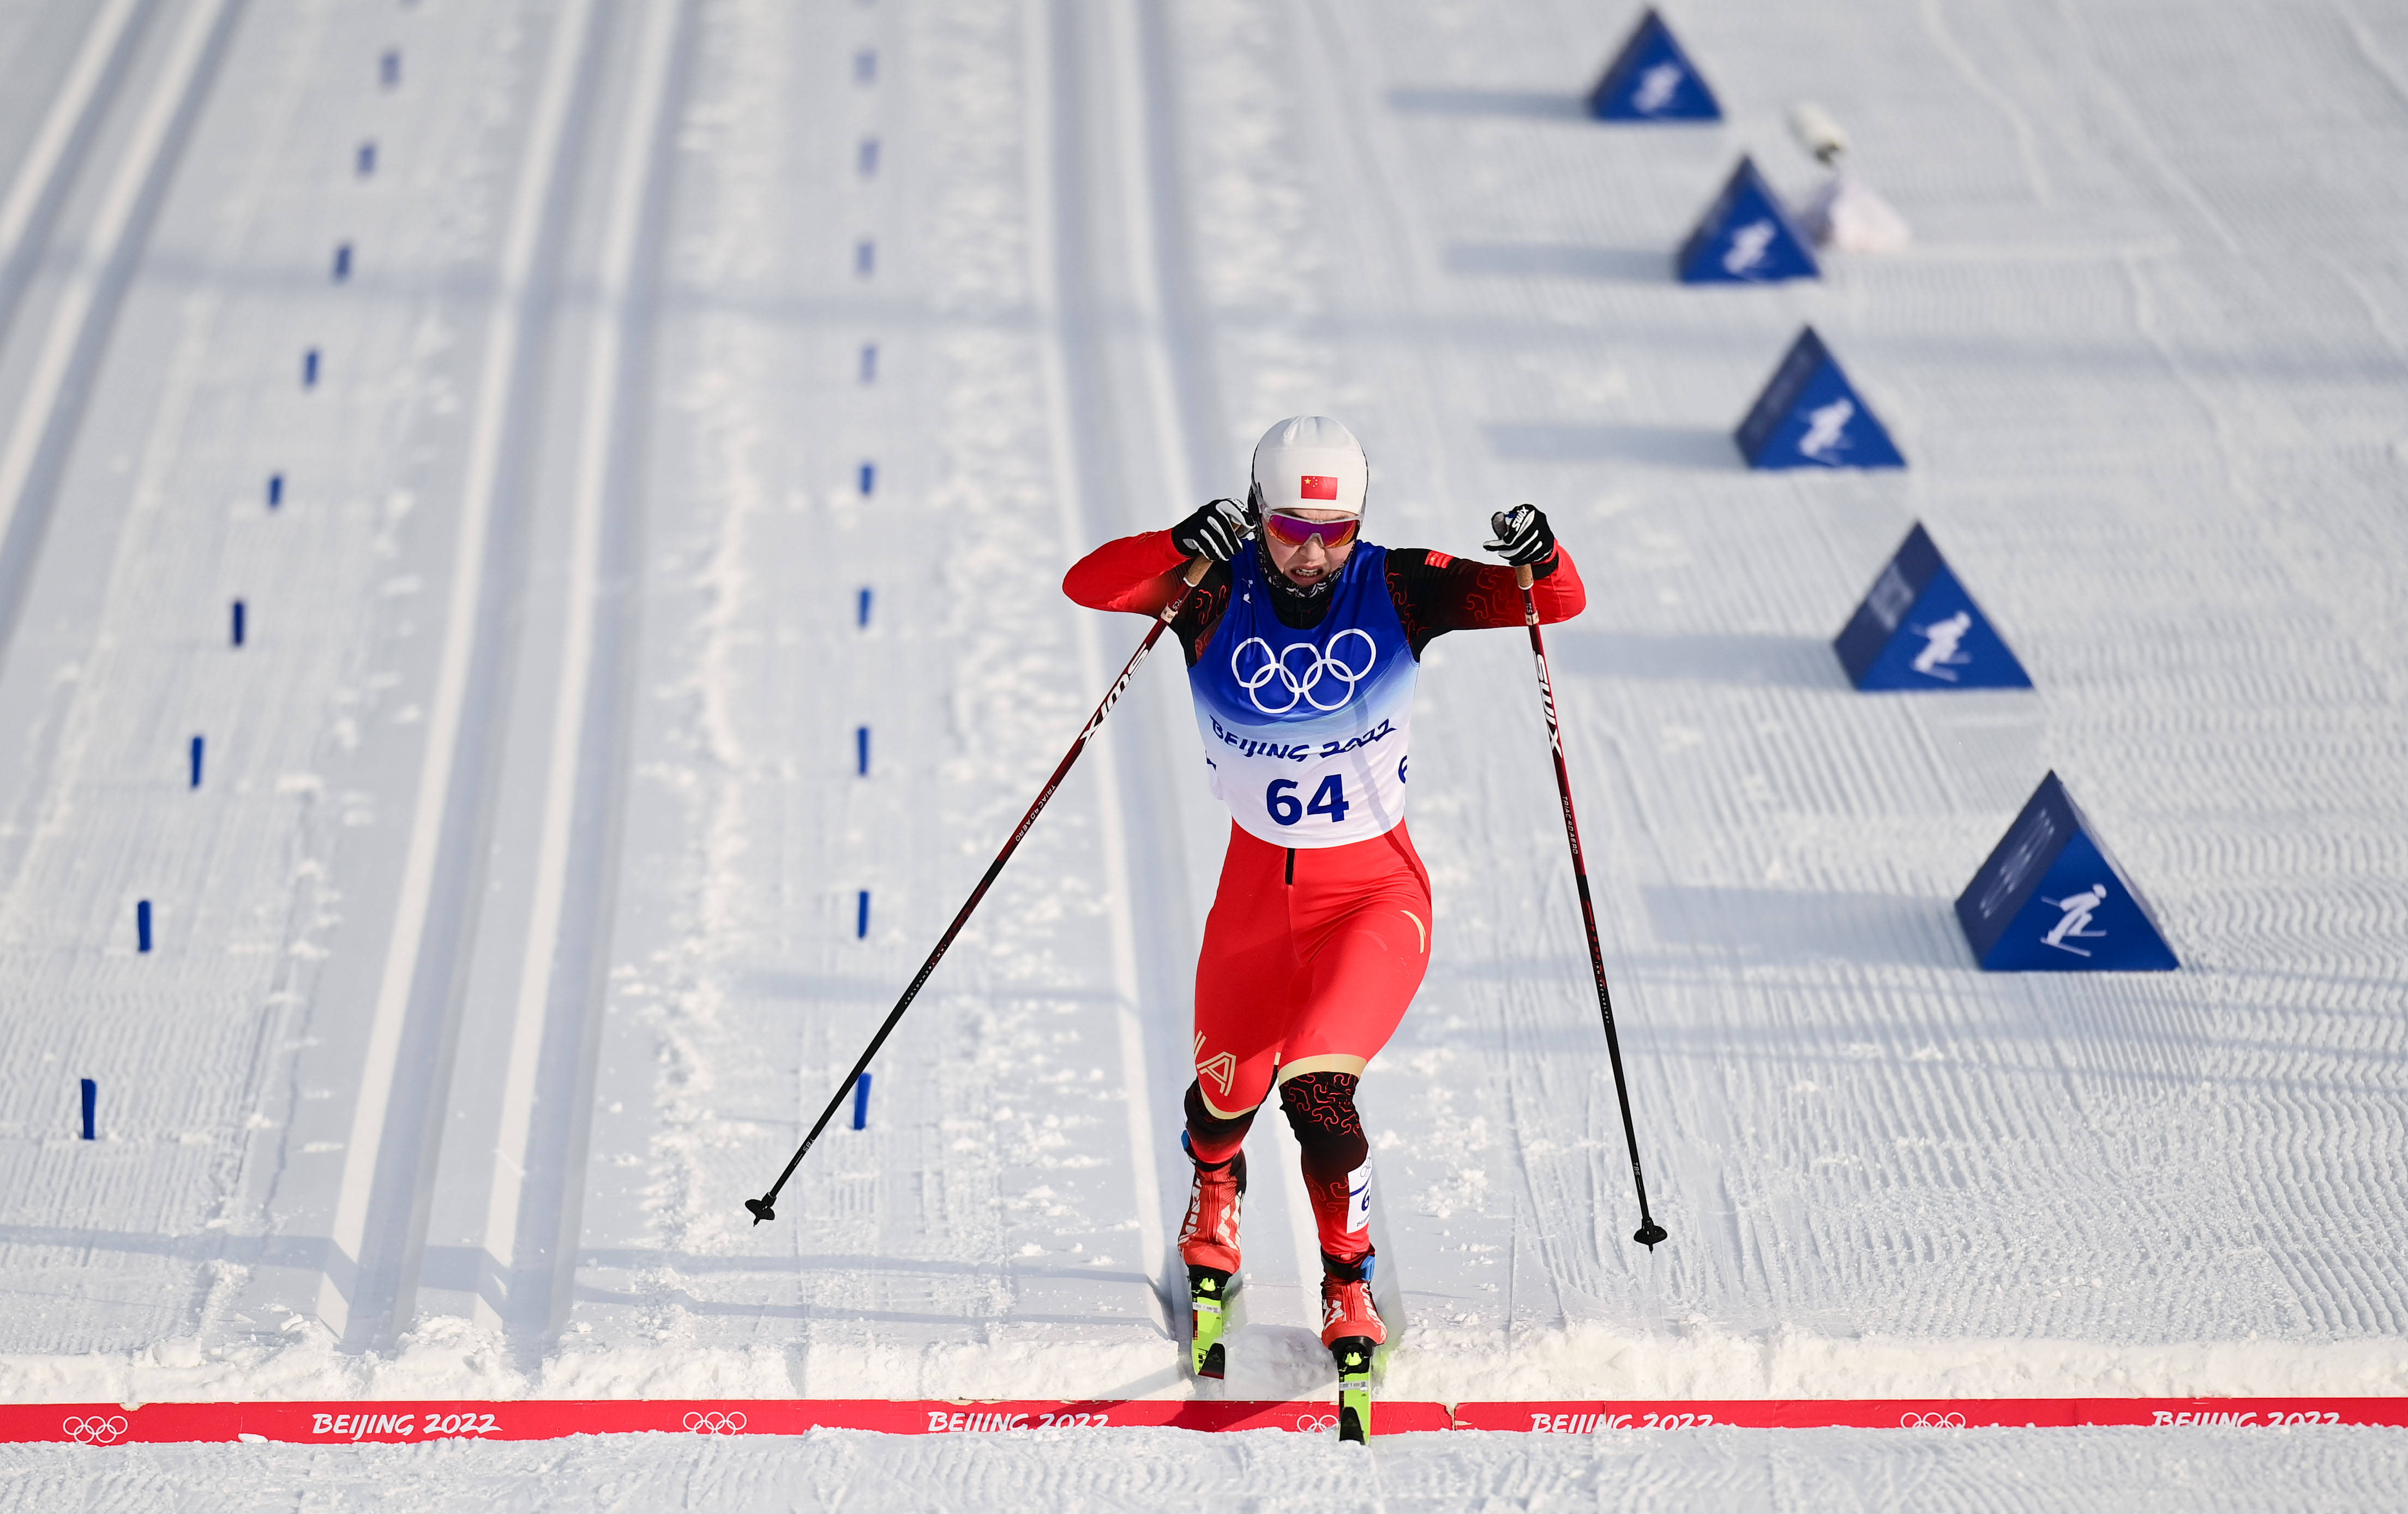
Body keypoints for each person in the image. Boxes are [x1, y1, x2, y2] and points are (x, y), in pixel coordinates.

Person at [1061, 415, 1586, 1375]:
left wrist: (1540, 555)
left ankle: (1348, 1277)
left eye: (1334, 529)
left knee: (1319, 1093)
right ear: (1257, 510)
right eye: (1292, 527)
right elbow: (1088, 584)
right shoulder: (1212, 585)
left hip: (1373, 896)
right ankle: (1215, 1192)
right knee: (1224, 1103)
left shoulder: (1398, 583)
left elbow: (1551, 602)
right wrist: (1178, 543)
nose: (1312, 552)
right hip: (1257, 896)